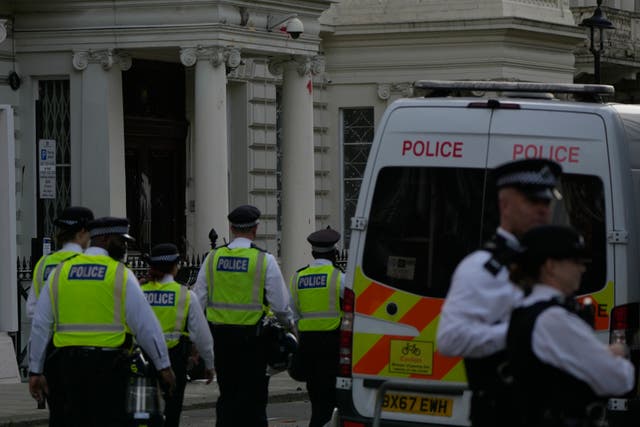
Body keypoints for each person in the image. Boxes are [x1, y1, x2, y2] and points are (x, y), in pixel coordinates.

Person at [436, 158, 562, 427]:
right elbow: (449, 339)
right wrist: (517, 334)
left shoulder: (555, 265)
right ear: (505, 205)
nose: (542, 209)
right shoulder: (480, 268)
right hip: (501, 412)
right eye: (532, 201)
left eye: (547, 202)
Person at [28, 216, 176, 427]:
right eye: (121, 241)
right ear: (106, 239)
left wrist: (35, 370)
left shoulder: (60, 272)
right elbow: (146, 326)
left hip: (68, 367)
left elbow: (41, 325)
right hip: (109, 369)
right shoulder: (120, 274)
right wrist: (164, 366)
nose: (125, 247)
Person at [506, 225, 635, 427]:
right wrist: (618, 353)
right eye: (575, 261)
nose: (582, 268)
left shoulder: (523, 309)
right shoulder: (554, 319)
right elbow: (619, 380)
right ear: (550, 266)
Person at [193, 204, 294, 427]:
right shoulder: (264, 260)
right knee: (254, 401)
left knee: (227, 396)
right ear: (255, 229)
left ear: (231, 228)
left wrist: (196, 341)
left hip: (221, 341)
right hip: (253, 343)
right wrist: (291, 328)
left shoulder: (212, 258)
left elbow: (196, 302)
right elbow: (280, 306)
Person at [141, 242, 215, 427]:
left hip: (143, 361)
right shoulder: (185, 295)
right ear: (175, 266)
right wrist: (209, 363)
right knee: (172, 413)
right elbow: (202, 335)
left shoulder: (140, 292)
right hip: (174, 360)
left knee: (143, 414)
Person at [289, 227, 345, 427]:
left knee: (318, 404)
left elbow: (293, 315)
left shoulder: (298, 277)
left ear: (313, 253)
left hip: (308, 347)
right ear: (334, 253)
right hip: (333, 347)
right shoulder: (339, 278)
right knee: (335, 406)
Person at [26, 206, 94, 319]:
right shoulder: (90, 262)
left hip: (51, 335)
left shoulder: (44, 262)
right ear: (82, 232)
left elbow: (31, 310)